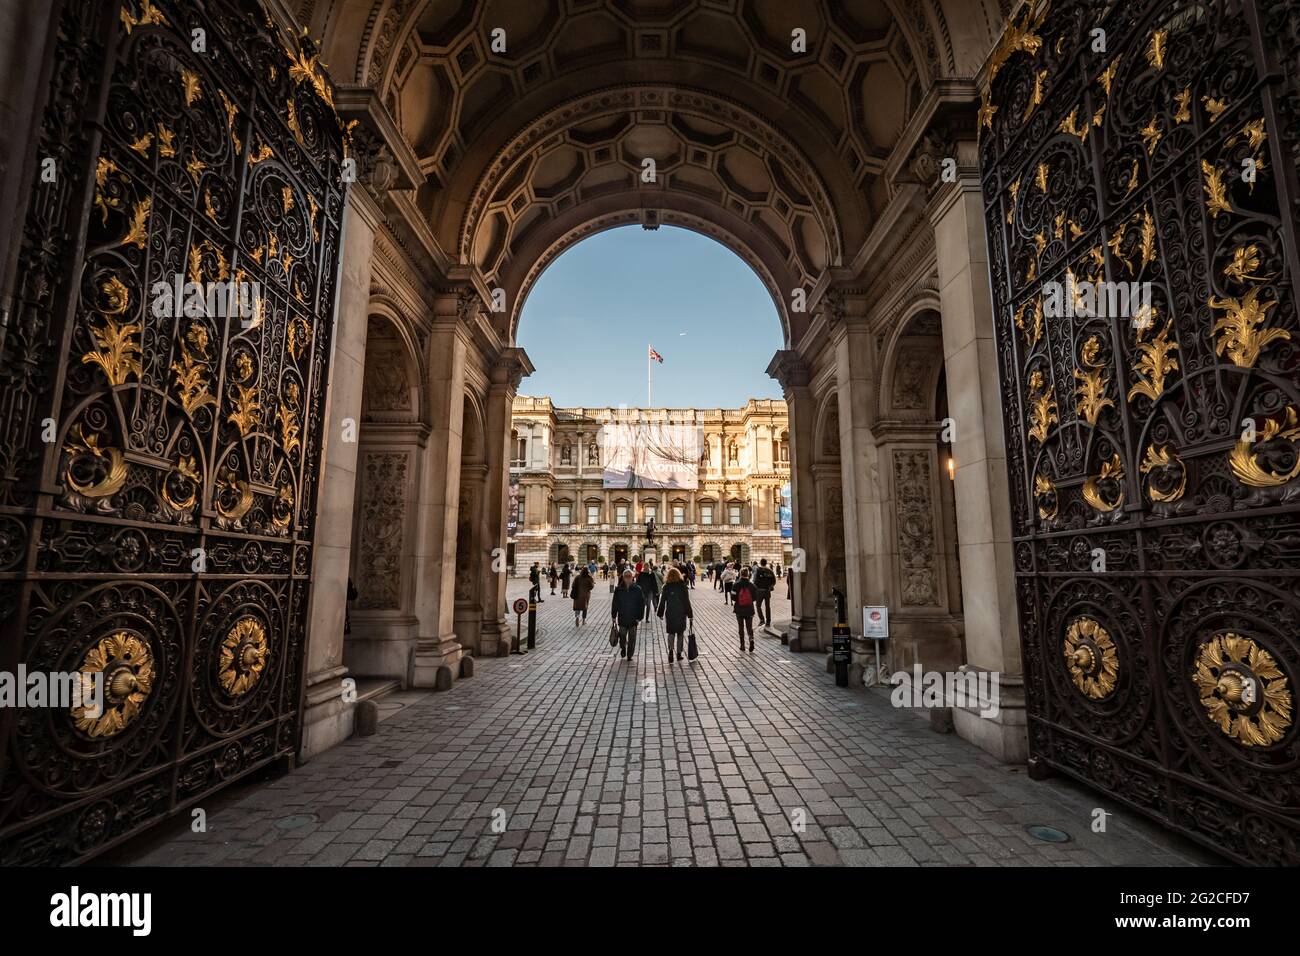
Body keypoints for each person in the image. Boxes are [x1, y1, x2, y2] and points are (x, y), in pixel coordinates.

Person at [658, 567, 694, 663]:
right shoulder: (683, 586)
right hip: (681, 612)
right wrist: (690, 614)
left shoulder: (666, 587)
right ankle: (679, 653)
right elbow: (686, 601)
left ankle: (670, 651)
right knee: (680, 633)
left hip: (670, 612)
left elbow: (662, 601)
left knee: (671, 632)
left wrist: (660, 613)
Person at [611, 569, 646, 659]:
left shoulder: (637, 589)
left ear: (632, 577)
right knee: (622, 634)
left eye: (629, 576)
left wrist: (640, 617)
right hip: (622, 617)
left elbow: (641, 604)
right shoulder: (619, 589)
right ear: (623, 577)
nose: (627, 578)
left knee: (632, 637)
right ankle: (623, 647)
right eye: (626, 576)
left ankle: (630, 654)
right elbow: (615, 603)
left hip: (633, 618)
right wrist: (614, 615)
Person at [733, 566, 759, 652]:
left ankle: (742, 645)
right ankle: (751, 639)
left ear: (740, 574)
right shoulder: (752, 585)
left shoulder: (736, 584)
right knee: (749, 627)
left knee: (741, 628)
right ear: (748, 574)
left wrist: (738, 600)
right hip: (749, 609)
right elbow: (755, 597)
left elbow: (733, 597)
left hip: (739, 609)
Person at [754, 558, 776, 626]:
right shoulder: (770, 571)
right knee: (767, 606)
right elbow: (774, 581)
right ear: (766, 563)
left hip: (759, 591)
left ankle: (762, 619)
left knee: (758, 606)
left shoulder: (758, 570)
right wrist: (770, 586)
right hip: (767, 591)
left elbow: (754, 581)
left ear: (760, 563)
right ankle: (768, 621)